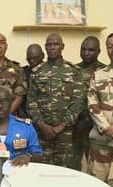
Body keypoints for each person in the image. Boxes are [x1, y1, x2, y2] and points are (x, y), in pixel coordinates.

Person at [27, 33, 84, 168]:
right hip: (42, 132)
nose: (52, 47)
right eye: (49, 45)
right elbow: (31, 103)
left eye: (55, 44)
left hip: (65, 132)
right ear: (45, 48)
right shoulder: (37, 72)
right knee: (41, 169)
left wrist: (61, 126)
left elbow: (78, 102)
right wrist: (43, 125)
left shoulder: (74, 71)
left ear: (62, 46)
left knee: (63, 171)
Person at [72, 36, 106, 171]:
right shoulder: (73, 70)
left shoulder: (104, 72)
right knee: (72, 165)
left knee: (95, 167)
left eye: (91, 50)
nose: (86, 53)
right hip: (75, 125)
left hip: (96, 127)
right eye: (83, 49)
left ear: (99, 51)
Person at [87, 33, 113, 186]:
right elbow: (92, 104)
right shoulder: (98, 75)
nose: (112, 50)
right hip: (102, 138)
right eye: (109, 46)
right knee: (96, 182)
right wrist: (107, 127)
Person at [18, 44, 44, 118]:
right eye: (29, 59)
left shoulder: (51, 71)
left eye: (35, 58)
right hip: (26, 116)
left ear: (42, 56)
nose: (32, 61)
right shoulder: (24, 72)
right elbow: (19, 95)